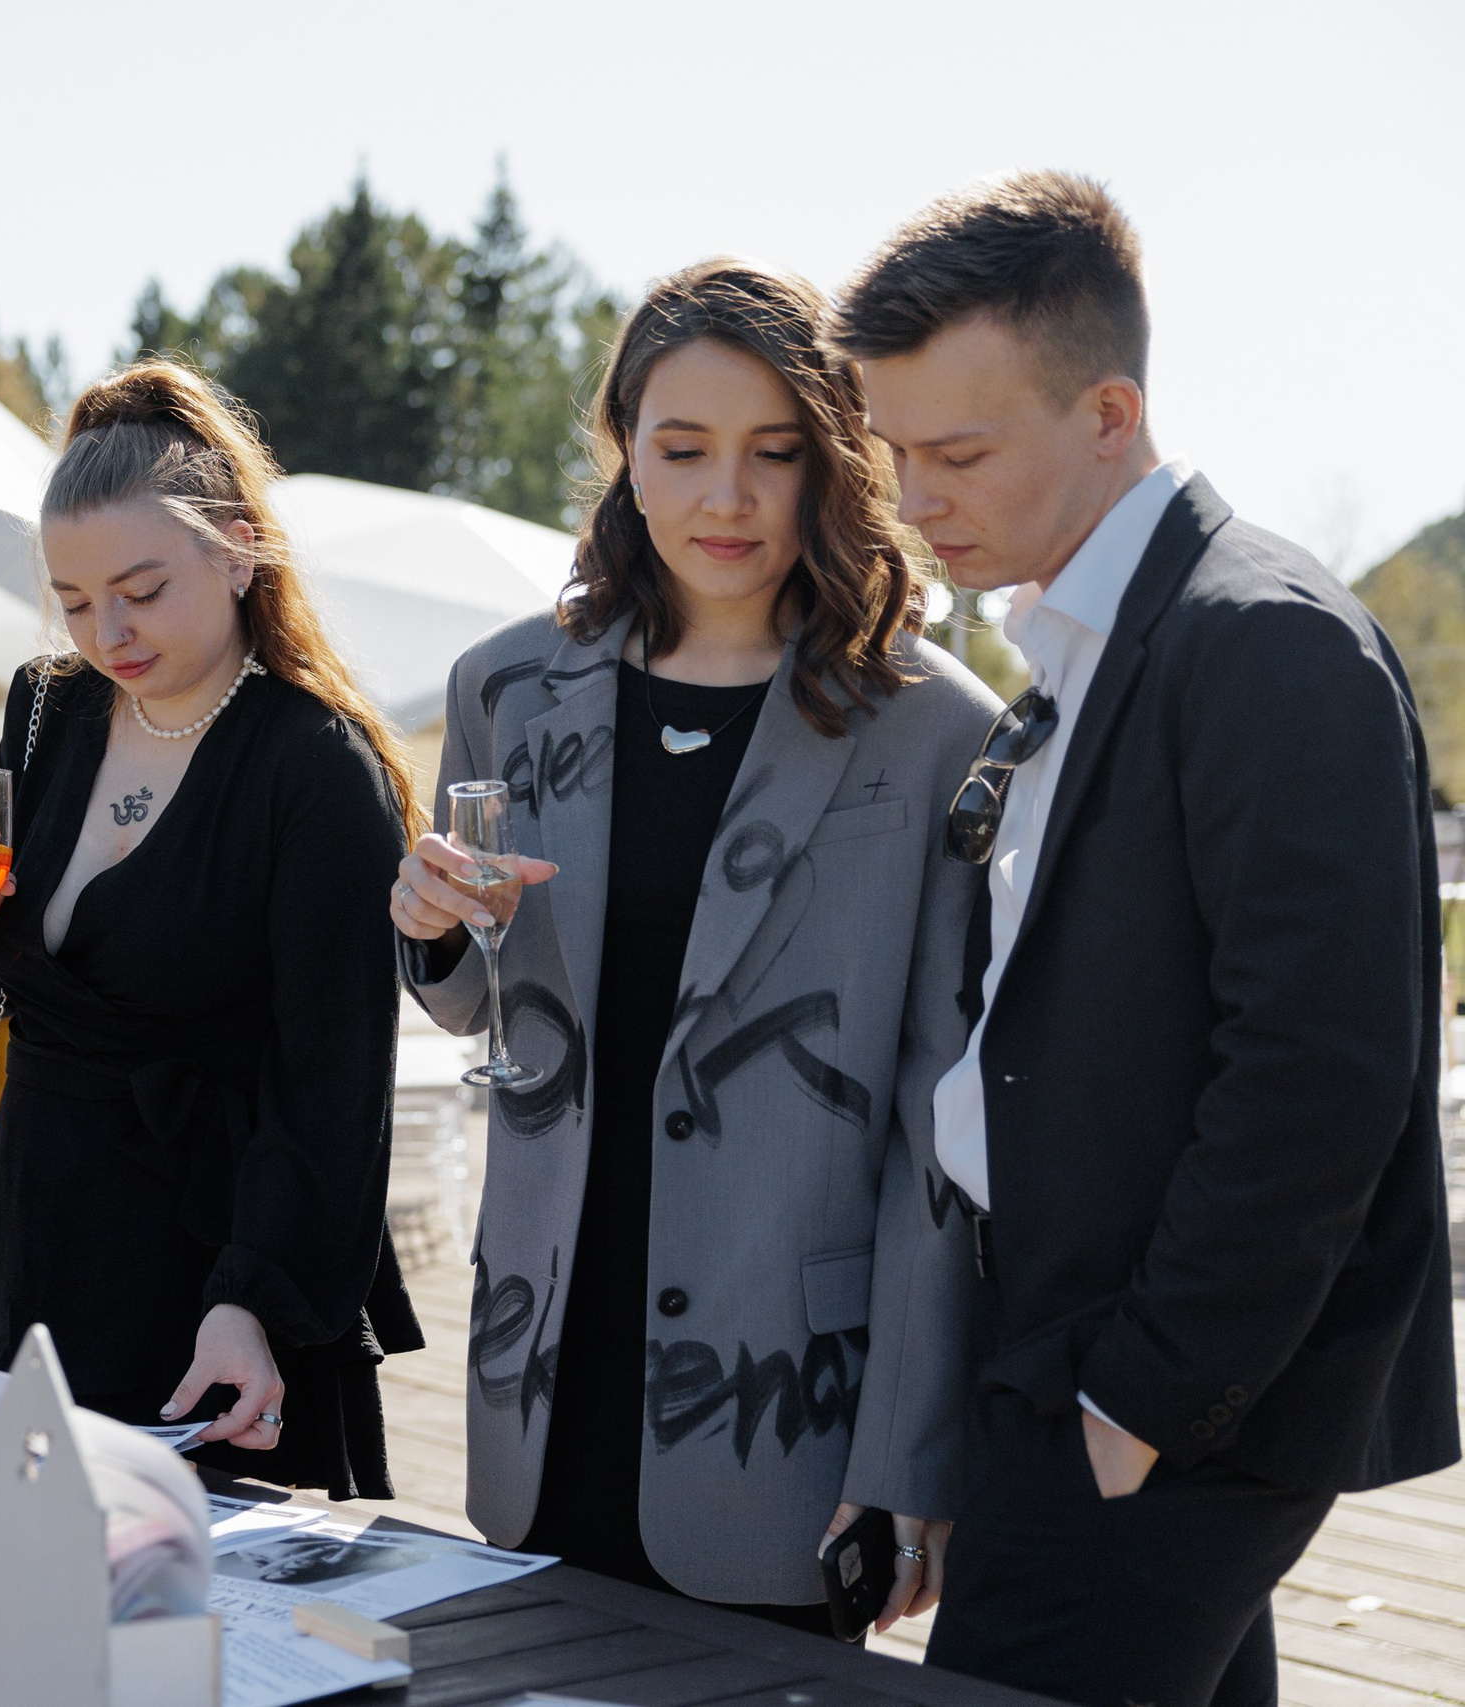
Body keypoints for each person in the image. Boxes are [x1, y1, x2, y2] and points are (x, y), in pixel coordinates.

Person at [835, 172, 1458, 1707]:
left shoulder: (1266, 641)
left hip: (1147, 1388)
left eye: (959, 452)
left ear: (1111, 412)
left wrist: (1141, 1399)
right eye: (895, 450)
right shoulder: (1087, 633)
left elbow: (1324, 1071)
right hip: (1064, 1354)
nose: (915, 500)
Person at [391, 260, 996, 1632]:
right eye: (684, 449)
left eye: (775, 453)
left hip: (785, 1411)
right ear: (623, 455)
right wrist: (427, 930)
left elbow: (937, 1122)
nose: (728, 496)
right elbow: (487, 1007)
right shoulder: (504, 687)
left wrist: (908, 1453)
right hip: (541, 1376)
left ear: (832, 464)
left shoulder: (935, 730)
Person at [0, 360, 423, 1499]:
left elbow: (332, 1089)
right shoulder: (44, 707)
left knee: (191, 1646)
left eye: (140, 589)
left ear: (236, 551)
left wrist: (250, 1300)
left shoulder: (314, 769)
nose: (108, 631)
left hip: (208, 1272)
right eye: (76, 600)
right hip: (33, 1236)